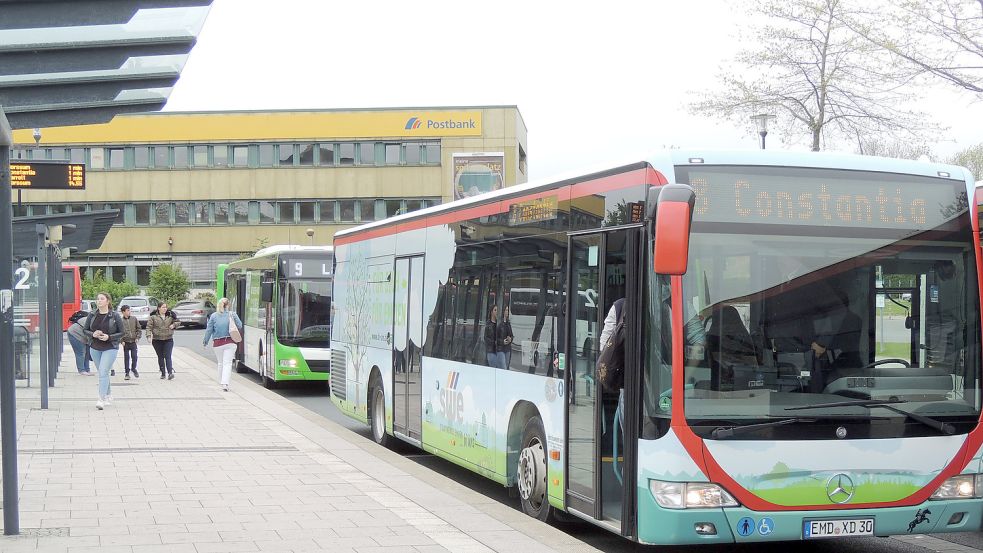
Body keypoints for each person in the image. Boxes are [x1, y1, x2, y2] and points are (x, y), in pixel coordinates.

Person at [83, 293, 124, 410]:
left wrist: (109, 337)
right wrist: (93, 334)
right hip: (94, 347)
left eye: (102, 299)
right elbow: (85, 330)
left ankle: (101, 399)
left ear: (108, 301)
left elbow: (122, 332)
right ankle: (108, 394)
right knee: (103, 373)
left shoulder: (115, 316)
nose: (99, 301)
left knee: (103, 371)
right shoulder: (92, 315)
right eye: (98, 299)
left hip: (110, 346)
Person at [202, 297, 243, 392]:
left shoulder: (213, 316)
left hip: (218, 343)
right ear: (228, 305)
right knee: (227, 363)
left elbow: (209, 330)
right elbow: (240, 325)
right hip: (230, 342)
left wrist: (205, 341)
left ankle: (221, 381)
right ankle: (225, 383)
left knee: (220, 363)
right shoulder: (232, 314)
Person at [146, 302, 178, 380]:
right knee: (160, 356)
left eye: (166, 307)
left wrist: (174, 325)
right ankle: (163, 372)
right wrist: (149, 336)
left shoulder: (170, 315)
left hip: (168, 339)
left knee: (168, 356)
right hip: (157, 339)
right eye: (163, 307)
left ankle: (170, 372)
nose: (165, 309)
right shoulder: (153, 317)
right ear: (159, 308)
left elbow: (178, 321)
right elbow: (148, 327)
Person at [65, 309, 92, 375]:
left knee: (87, 353)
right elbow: (90, 334)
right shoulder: (91, 320)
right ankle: (82, 370)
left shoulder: (93, 319)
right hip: (74, 334)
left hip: (82, 336)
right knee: (80, 353)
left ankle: (87, 370)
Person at [119, 305, 142, 380]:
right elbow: (118, 332)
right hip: (125, 342)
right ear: (123, 312)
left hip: (133, 341)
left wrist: (137, 337)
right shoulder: (120, 321)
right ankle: (127, 373)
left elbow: (139, 329)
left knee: (134, 356)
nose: (129, 312)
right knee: (126, 358)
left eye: (129, 310)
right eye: (127, 310)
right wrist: (121, 340)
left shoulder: (134, 319)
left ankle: (133, 368)